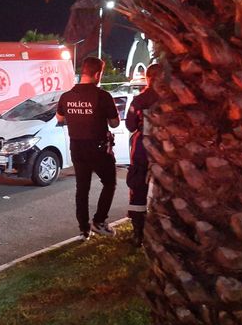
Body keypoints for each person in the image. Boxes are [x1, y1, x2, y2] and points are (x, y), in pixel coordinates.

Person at [56, 56, 120, 241]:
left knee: (82, 188)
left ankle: (84, 229)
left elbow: (59, 119)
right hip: (98, 148)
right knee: (109, 183)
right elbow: (115, 124)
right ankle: (99, 222)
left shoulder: (66, 96)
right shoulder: (103, 96)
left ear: (83, 71)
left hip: (76, 147)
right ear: (97, 74)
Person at [125, 63, 162, 247]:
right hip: (167, 148)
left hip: (142, 147)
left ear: (147, 78)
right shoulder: (171, 99)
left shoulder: (139, 100)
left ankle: (138, 233)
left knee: (137, 185)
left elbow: (130, 126)